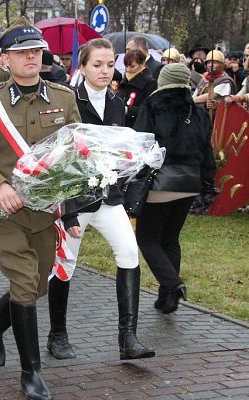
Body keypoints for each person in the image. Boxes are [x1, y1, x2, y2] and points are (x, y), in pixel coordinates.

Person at [0, 17, 81, 400]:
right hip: (4, 210)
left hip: (47, 209)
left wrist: (72, 197)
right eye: (22, 53)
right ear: (5, 59)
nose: (31, 57)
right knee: (24, 283)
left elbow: (77, 151)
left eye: (36, 51)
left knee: (39, 283)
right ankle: (32, 373)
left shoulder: (63, 98)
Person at [46, 38, 155, 363]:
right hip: (75, 201)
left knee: (129, 252)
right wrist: (66, 213)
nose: (105, 71)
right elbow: (60, 160)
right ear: (81, 67)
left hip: (110, 196)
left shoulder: (118, 103)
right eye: (97, 64)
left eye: (110, 65)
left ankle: (128, 338)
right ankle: (57, 335)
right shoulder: (70, 101)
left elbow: (118, 152)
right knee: (64, 266)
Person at [133, 63, 216, 314]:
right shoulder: (198, 110)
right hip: (189, 183)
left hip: (161, 183)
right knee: (170, 239)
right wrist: (207, 184)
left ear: (162, 82)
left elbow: (141, 142)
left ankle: (173, 284)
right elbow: (207, 152)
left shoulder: (153, 105)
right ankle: (167, 298)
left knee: (147, 239)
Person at [118, 49, 157, 128]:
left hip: (137, 127)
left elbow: (150, 109)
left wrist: (128, 110)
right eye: (126, 66)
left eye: (132, 66)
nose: (128, 70)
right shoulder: (124, 81)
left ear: (142, 64)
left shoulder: (150, 83)